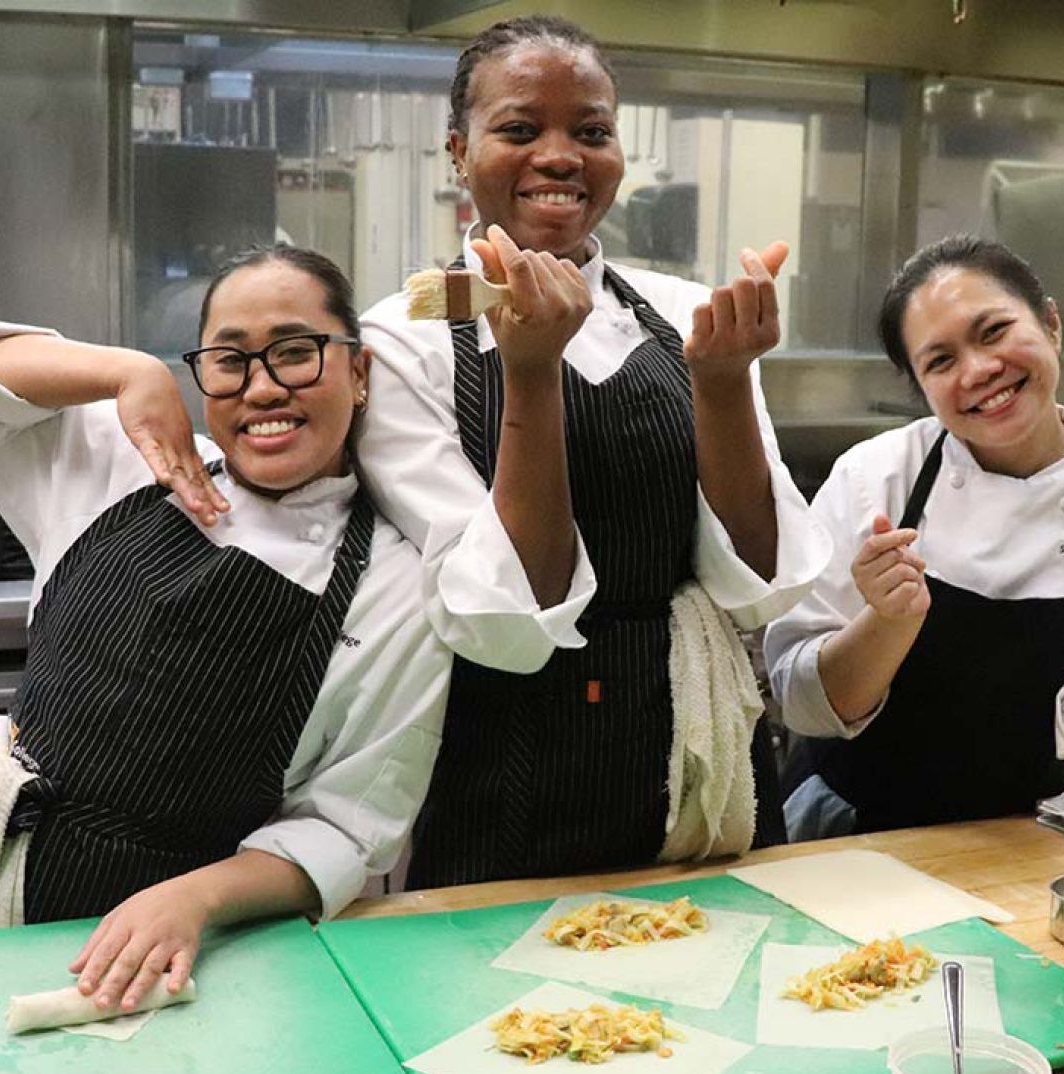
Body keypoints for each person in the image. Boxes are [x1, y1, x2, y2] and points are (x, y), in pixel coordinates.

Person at [0, 246, 449, 1016]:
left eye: (297, 353)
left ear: (361, 372)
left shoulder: (396, 585)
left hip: (175, 949)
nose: (263, 387)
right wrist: (127, 373)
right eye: (229, 361)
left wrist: (195, 900)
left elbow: (344, 829)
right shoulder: (123, 460)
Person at [355, 15, 831, 888]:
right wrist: (529, 374)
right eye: (520, 129)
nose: (561, 155)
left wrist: (723, 384)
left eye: (592, 131)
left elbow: (755, 583)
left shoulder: (686, 309)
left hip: (695, 752)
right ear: (458, 152)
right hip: (503, 760)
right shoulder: (404, 335)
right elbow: (507, 617)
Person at [766, 236, 1064, 840]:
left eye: (993, 332)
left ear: (1051, 324)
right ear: (921, 387)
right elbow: (801, 704)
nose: (980, 371)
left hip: (1016, 843)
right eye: (940, 361)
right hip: (845, 833)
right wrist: (888, 621)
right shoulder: (876, 478)